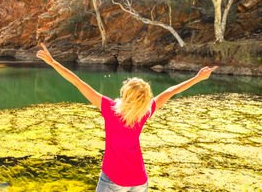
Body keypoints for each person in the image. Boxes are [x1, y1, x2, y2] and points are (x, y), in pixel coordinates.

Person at [36, 43, 217, 192]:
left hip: (113, 180)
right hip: (139, 180)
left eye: (127, 84)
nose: (125, 82)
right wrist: (197, 78)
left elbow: (77, 82)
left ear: (127, 93)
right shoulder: (145, 111)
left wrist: (53, 62)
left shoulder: (110, 108)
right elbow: (170, 91)